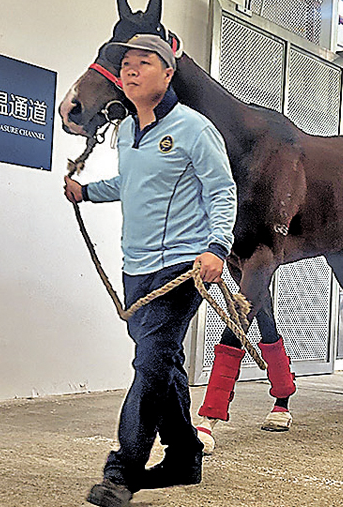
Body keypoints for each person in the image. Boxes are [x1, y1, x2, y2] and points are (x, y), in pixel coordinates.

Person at [64, 34, 237, 507]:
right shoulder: (126, 135)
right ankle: (184, 455)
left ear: (168, 72)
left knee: (150, 363)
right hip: (135, 268)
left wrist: (217, 247)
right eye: (126, 66)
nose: (131, 71)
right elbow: (130, 181)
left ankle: (123, 468)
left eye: (144, 63)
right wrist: (88, 191)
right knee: (164, 364)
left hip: (181, 267)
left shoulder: (194, 129)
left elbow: (221, 191)